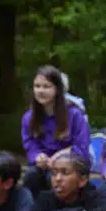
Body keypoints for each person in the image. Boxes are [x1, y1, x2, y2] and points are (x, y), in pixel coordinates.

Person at [21, 65, 91, 196]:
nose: (41, 91)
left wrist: (58, 157)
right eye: (37, 86)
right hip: (42, 166)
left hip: (70, 165)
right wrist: (37, 156)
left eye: (46, 86)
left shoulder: (75, 115)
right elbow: (29, 143)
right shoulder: (28, 117)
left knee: (54, 178)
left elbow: (82, 147)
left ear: (57, 89)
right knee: (31, 176)